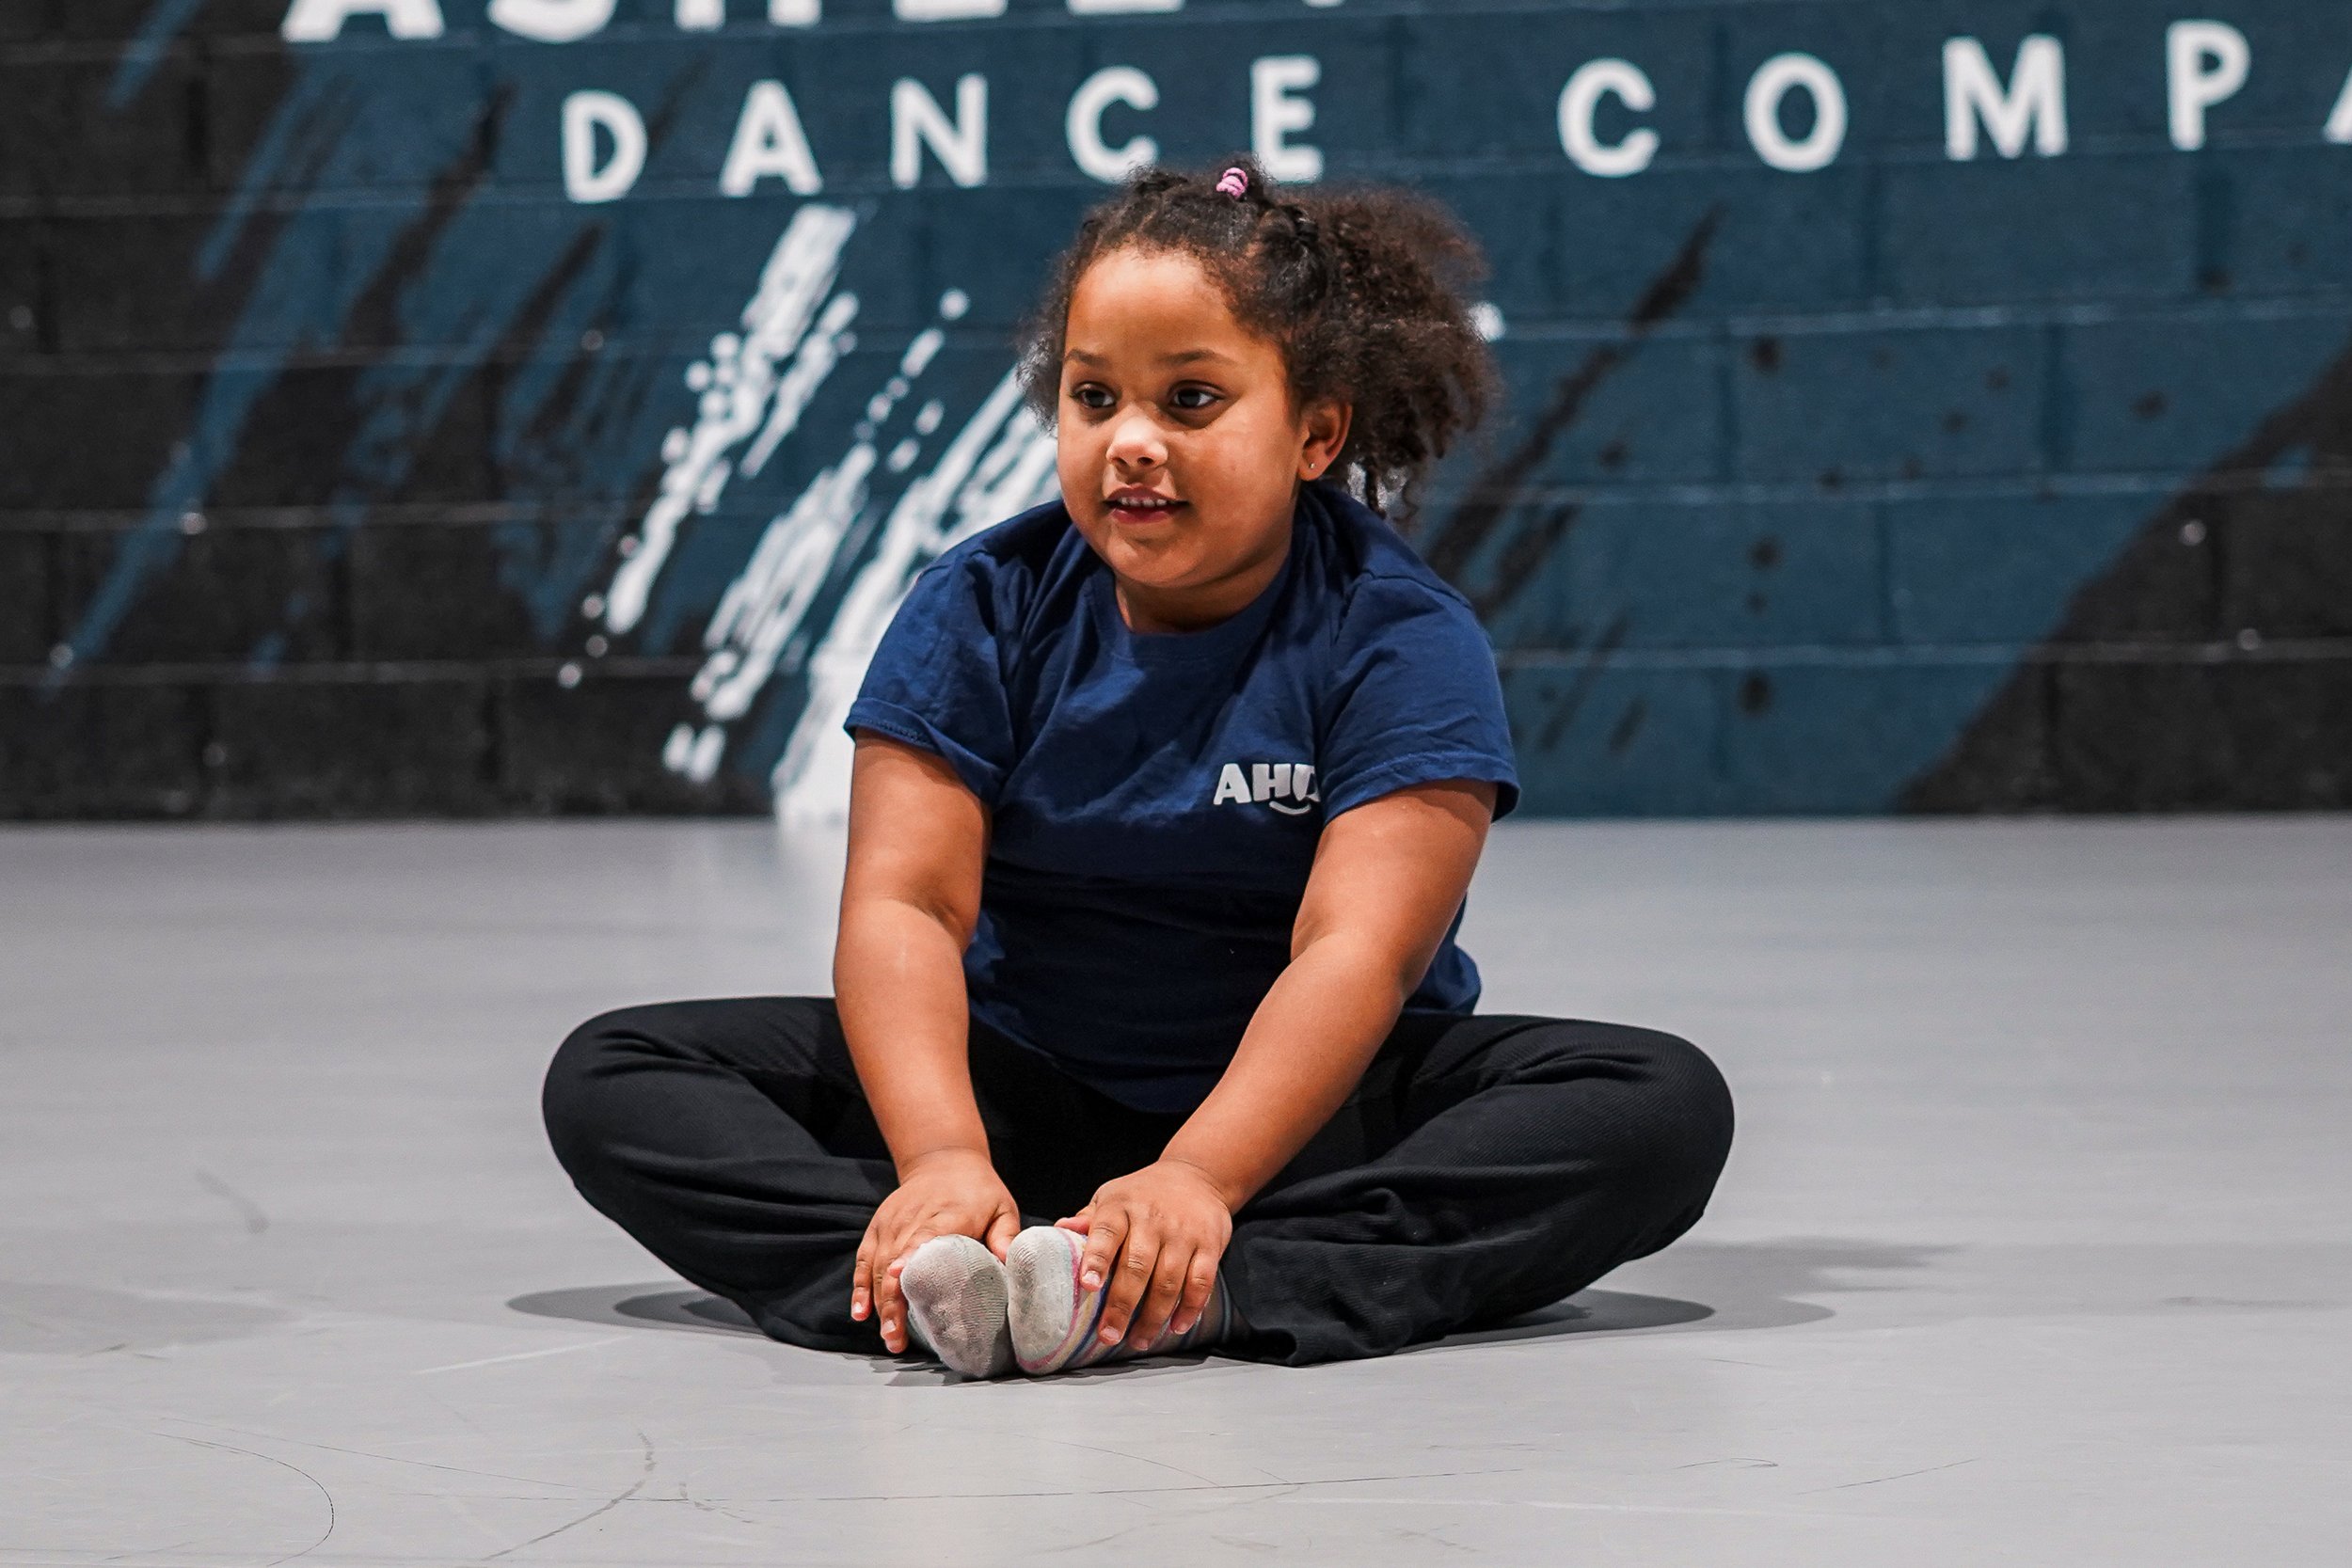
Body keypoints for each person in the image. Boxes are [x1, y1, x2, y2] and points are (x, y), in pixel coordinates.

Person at [541, 158, 1733, 1377]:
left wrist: (1200, 1177)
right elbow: (908, 905)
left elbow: (1355, 953)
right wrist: (944, 1155)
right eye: (1094, 396)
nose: (1132, 445)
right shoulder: (982, 605)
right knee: (616, 1074)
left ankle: (1201, 1291)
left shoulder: (1400, 637)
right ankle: (952, 1273)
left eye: (1193, 400)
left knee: (1660, 1106)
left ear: (1316, 430)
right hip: (1025, 1104)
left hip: (1306, 1124)